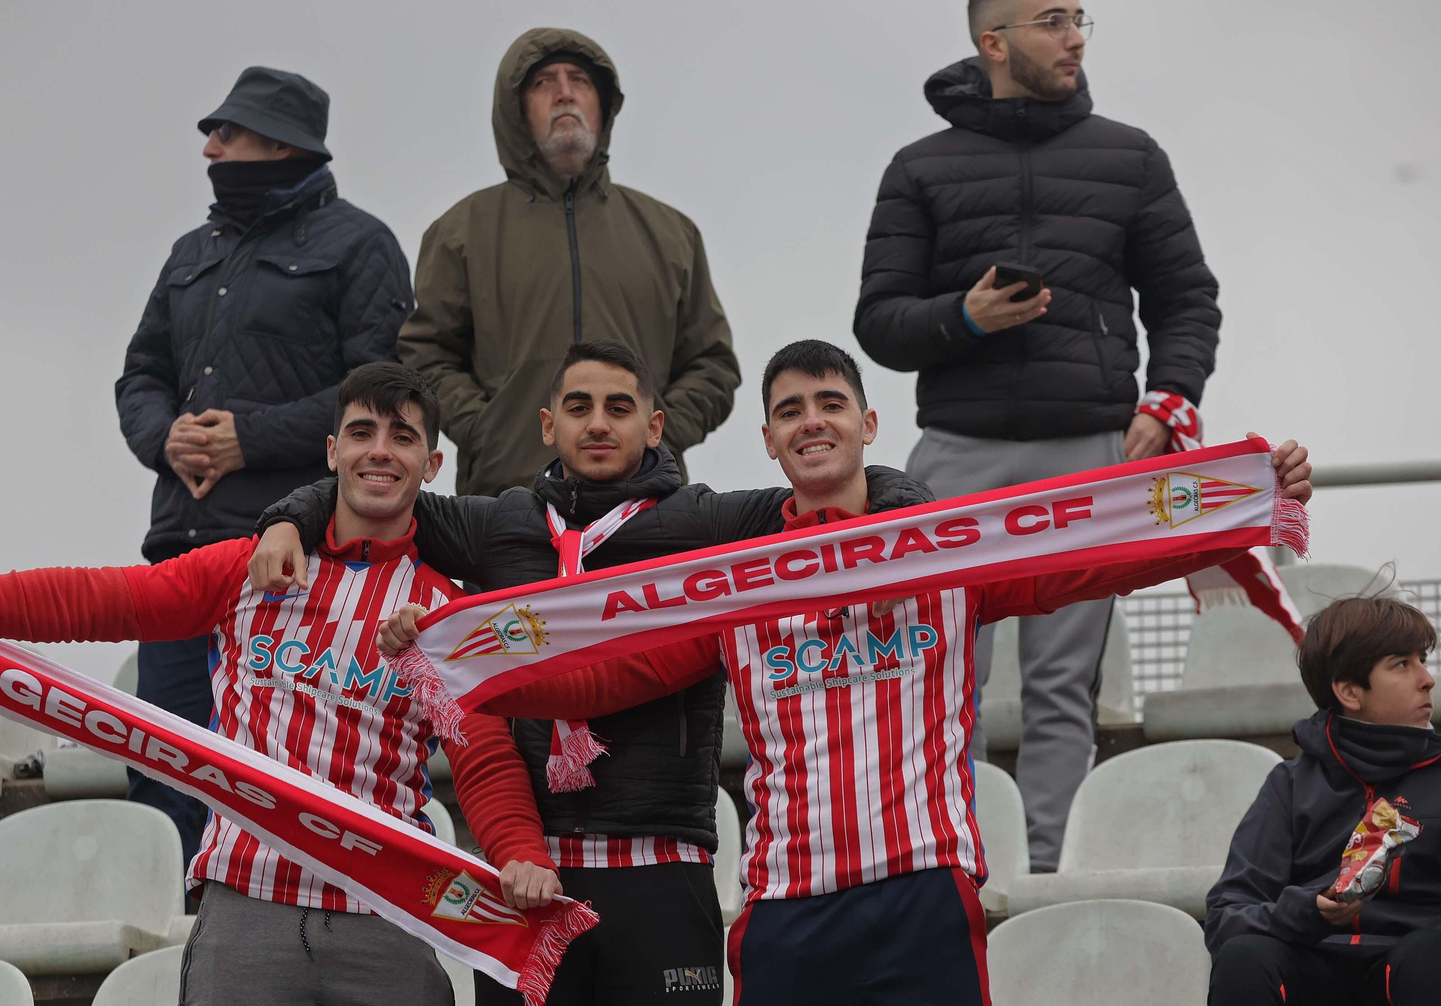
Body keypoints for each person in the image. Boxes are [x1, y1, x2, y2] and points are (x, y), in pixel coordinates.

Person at [377, 341, 1315, 1006]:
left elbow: (1092, 548)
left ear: (868, 423)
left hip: (923, 892)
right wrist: (458, 658)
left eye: (830, 404)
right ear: (771, 443)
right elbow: (600, 680)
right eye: (790, 410)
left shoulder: (946, 554)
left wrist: (1241, 502)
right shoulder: (728, 589)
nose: (811, 421)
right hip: (786, 908)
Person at [0, 366, 560, 1006]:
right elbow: (91, 600)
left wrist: (521, 854)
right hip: (244, 909)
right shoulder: (247, 568)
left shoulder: (445, 615)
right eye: (362, 431)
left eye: (402, 437)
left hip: (382, 918)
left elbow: (485, 757)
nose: (380, 450)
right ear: (331, 451)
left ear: (431, 463)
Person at [249, 341, 927, 1005]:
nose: (598, 423)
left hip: (665, 864)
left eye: (618, 407)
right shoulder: (501, 526)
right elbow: (377, 484)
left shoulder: (706, 521)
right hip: (528, 873)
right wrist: (287, 518)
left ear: (653, 425)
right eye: (578, 407)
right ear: (550, 425)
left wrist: (897, 525)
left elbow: (843, 493)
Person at [852, 1, 1222, 870]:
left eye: (1081, 17)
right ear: (994, 41)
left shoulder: (1132, 156)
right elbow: (878, 323)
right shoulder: (918, 168)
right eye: (1053, 18)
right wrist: (965, 318)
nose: (1076, 36)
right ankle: (957, 860)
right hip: (954, 454)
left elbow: (1187, 300)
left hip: (1092, 455)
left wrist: (1169, 402)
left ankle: (1047, 872)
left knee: (1062, 689)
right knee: (943, 682)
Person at [114, 66, 416, 870]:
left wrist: (250, 438)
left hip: (293, 558)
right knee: (164, 757)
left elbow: (380, 395)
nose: (210, 147)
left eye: (228, 132)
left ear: (278, 146)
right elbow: (139, 373)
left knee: (277, 757)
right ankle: (179, 932)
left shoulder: (363, 245)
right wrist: (166, 437)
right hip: (179, 553)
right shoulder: (191, 251)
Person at [398, 27, 740, 496]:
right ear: (516, 111)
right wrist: (487, 430)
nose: (564, 94)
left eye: (579, 80)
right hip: (508, 504)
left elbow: (713, 363)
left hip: (648, 506)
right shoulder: (461, 231)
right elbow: (425, 356)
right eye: (543, 83)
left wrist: (662, 429)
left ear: (603, 106)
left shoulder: (670, 233)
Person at [1205, 596, 1441, 1006]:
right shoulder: (1290, 784)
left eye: (1421, 659)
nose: (1427, 678)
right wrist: (1307, 911)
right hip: (1308, 967)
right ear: (1350, 691)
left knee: (1428, 957)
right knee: (1244, 956)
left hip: (1411, 970)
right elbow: (1226, 918)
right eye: (1402, 664)